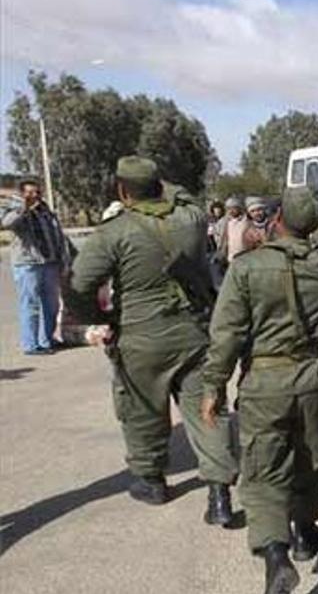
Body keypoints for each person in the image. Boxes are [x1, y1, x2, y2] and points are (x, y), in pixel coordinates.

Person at [63, 156, 239, 520]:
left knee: (142, 410)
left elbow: (78, 286)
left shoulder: (114, 232)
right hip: (193, 331)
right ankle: (219, 493)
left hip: (140, 337)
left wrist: (102, 318)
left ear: (122, 190)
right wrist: (159, 185)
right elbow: (185, 195)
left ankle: (152, 481)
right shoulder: (191, 218)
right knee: (207, 408)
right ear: (160, 186)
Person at [200, 185, 318, 594]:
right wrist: (304, 229)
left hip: (265, 380)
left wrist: (213, 387)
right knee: (310, 454)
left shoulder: (247, 269)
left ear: (276, 217)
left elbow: (225, 335)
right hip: (313, 377)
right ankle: (305, 532)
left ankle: (276, 556)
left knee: (263, 472)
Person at [2, 177, 73, 355]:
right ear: (22, 194)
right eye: (30, 192)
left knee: (52, 304)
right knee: (30, 304)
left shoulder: (45, 211)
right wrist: (23, 207)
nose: (35, 195)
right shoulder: (14, 210)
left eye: (37, 192)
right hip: (28, 264)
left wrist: (63, 259)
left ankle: (47, 340)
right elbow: (8, 223)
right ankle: (31, 345)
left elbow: (58, 234)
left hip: (49, 262)